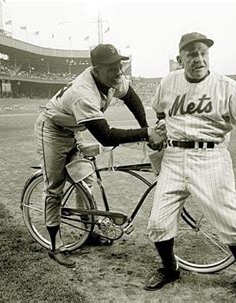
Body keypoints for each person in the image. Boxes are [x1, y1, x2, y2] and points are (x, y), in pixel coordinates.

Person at [144, 32, 236, 303]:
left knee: (233, 222)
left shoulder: (225, 86)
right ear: (180, 59)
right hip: (174, 157)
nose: (198, 59)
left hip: (211, 158)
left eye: (203, 53)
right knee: (158, 223)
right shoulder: (168, 82)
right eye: (191, 54)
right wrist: (163, 128)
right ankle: (170, 269)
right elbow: (160, 112)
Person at [34, 44, 163, 268]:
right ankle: (55, 247)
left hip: (73, 129)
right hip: (52, 130)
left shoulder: (113, 79)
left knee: (86, 179)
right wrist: (146, 134)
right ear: (96, 69)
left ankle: (88, 230)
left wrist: (145, 128)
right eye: (112, 67)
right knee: (55, 187)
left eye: (119, 65)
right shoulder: (83, 93)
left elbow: (132, 98)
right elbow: (106, 136)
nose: (118, 71)